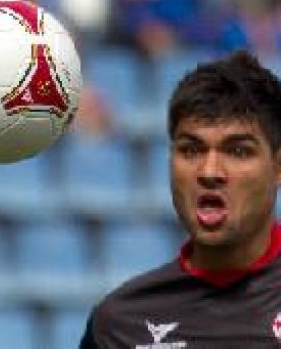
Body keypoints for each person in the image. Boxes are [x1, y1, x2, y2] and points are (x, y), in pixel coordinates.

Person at [81, 51, 281, 347]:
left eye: (238, 151)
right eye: (191, 150)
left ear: (278, 168)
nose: (210, 172)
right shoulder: (121, 324)